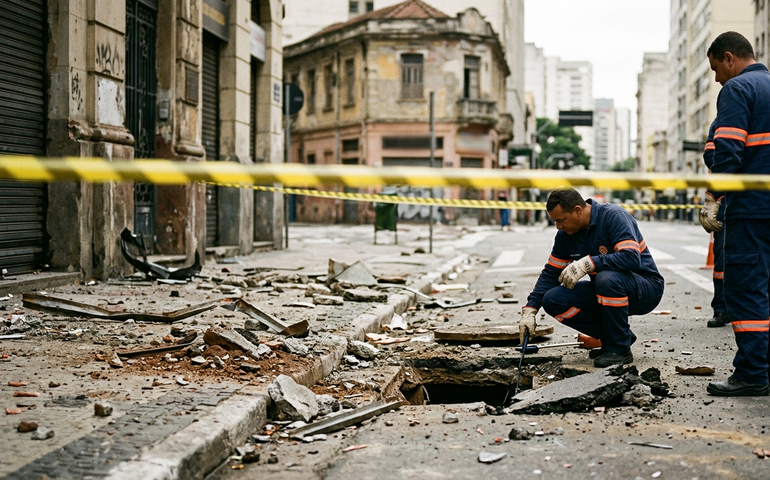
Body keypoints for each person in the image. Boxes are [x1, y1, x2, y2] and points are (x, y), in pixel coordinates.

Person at [518, 188, 665, 367]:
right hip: (606, 289)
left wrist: (589, 263)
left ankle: (619, 350)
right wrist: (531, 309)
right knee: (552, 299)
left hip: (646, 288)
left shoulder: (613, 216)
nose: (558, 226)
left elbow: (631, 257)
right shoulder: (565, 236)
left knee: (606, 279)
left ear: (578, 210)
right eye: (555, 221)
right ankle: (617, 337)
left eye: (561, 220)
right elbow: (551, 273)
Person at [701, 31, 770, 396]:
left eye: (716, 69)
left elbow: (727, 149)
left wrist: (714, 195)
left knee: (747, 291)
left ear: (729, 57)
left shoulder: (738, 89)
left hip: (752, 211)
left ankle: (752, 374)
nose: (717, 79)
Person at [702, 121, 730, 328]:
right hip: (726, 197)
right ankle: (721, 308)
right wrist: (713, 196)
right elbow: (710, 156)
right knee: (722, 255)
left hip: (753, 196)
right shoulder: (722, 120)